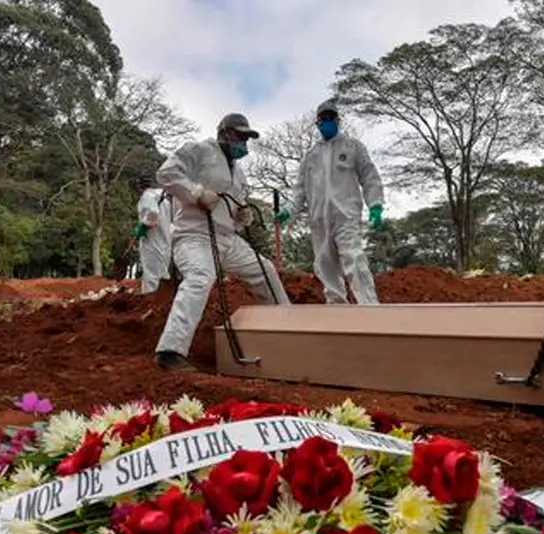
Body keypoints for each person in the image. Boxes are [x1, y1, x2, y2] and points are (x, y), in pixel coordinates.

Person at [153, 113, 292, 372]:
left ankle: (288, 329)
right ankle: (170, 350)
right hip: (195, 236)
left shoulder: (239, 173)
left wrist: (241, 216)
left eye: (247, 138)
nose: (244, 143)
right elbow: (166, 173)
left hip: (228, 239)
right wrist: (196, 193)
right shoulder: (198, 150)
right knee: (200, 277)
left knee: (265, 271)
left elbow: (232, 210)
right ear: (225, 133)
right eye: (241, 136)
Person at [277, 99, 385, 305]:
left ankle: (370, 307)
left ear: (338, 120)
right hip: (319, 220)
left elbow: (369, 176)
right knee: (325, 266)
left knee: (353, 259)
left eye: (330, 118)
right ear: (317, 123)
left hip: (346, 216)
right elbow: (300, 190)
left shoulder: (353, 147)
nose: (327, 122)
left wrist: (375, 204)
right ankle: (336, 309)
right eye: (323, 119)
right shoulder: (310, 156)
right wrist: (289, 210)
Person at [133, 174, 173, 294]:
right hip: (164, 240)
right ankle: (161, 300)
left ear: (140, 187)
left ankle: (151, 301)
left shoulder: (147, 196)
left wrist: (142, 227)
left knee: (152, 274)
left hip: (152, 241)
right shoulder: (163, 198)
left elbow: (153, 213)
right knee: (161, 273)